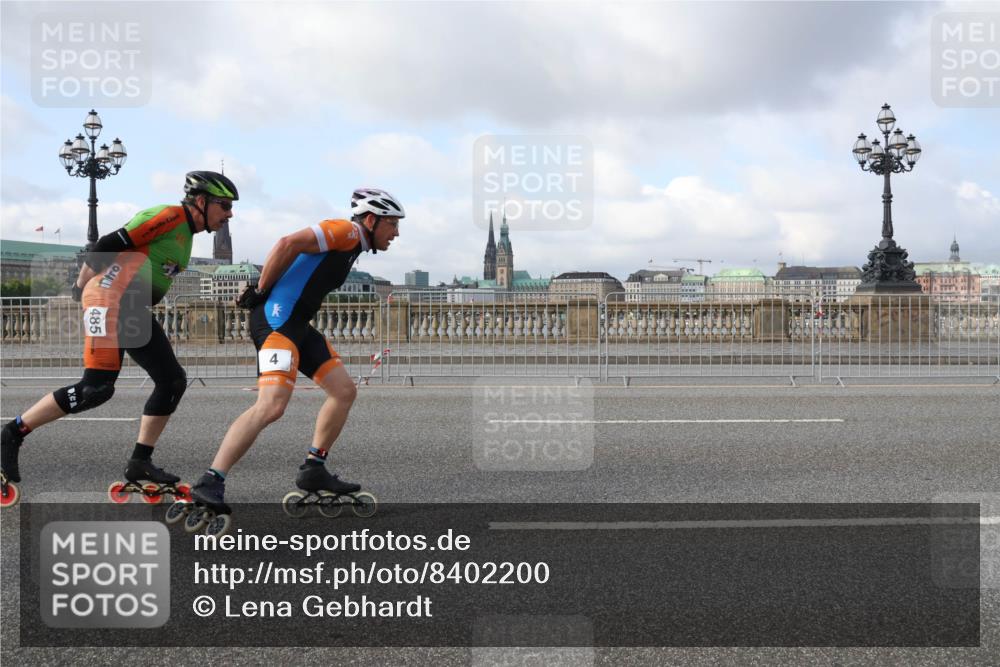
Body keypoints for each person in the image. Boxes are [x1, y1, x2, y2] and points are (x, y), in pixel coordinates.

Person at [0, 171, 239, 506]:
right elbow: (106, 244)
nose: (229, 214)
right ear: (201, 201)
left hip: (133, 308)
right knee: (95, 389)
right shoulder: (168, 216)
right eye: (224, 205)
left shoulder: (186, 234)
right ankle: (12, 433)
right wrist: (82, 288)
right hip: (110, 300)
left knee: (171, 382)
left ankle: (140, 463)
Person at [189, 188, 403, 513]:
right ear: (371, 219)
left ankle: (314, 469)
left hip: (298, 326)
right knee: (271, 406)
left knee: (343, 391)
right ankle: (211, 480)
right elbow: (287, 243)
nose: (396, 233)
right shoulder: (345, 231)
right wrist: (261, 289)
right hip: (277, 323)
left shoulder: (353, 245)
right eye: (392, 224)